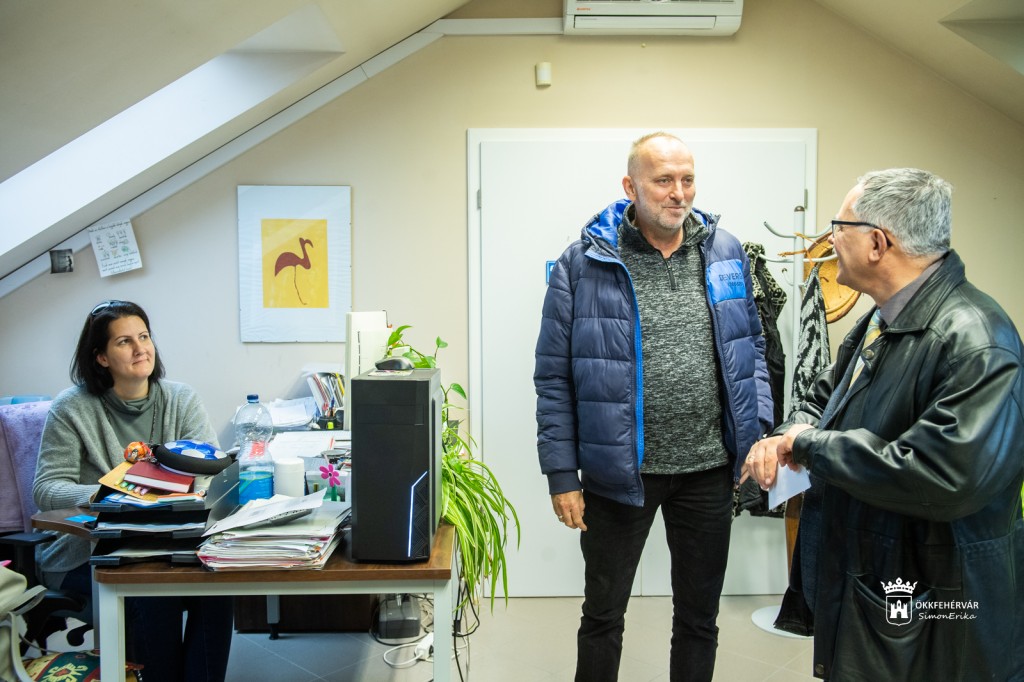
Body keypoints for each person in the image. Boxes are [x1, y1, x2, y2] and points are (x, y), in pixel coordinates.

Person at [743, 168, 1024, 680]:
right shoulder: (882, 319)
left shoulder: (975, 340)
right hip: (873, 580)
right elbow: (825, 397)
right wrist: (789, 433)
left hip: (934, 607)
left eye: (839, 227)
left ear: (877, 243)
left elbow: (942, 475)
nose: (830, 240)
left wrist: (809, 445)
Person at [535, 132, 773, 681]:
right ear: (631, 186)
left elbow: (752, 348)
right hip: (618, 474)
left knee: (699, 619)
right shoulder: (584, 262)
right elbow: (553, 377)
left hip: (708, 471)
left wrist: (756, 430)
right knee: (603, 615)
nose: (678, 193)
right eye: (663, 180)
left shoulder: (725, 251)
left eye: (687, 179)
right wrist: (560, 475)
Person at [33, 300, 233, 682]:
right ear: (101, 357)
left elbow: (211, 472)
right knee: (153, 592)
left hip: (173, 540)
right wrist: (114, 494)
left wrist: (172, 494)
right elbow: (46, 488)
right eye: (124, 341)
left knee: (218, 588)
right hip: (90, 550)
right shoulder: (71, 408)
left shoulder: (181, 399)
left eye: (144, 337)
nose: (141, 349)